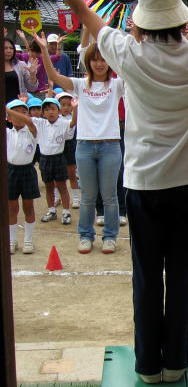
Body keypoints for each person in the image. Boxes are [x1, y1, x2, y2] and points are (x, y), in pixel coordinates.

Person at [23, 0, 188, 383]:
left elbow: (80, 8)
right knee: (181, 273)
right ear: (180, 20)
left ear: (141, 23)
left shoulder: (128, 53)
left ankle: (148, 366)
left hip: (145, 182)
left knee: (147, 275)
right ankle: (177, 362)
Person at [34, 29, 125, 254]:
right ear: (88, 62)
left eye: (103, 59)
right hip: (84, 146)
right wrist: (44, 50)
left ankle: (110, 236)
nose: (99, 64)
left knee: (110, 196)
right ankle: (86, 235)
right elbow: (54, 76)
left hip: (110, 146)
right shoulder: (80, 84)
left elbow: (136, 70)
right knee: (87, 196)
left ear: (110, 62)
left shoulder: (117, 85)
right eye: (95, 59)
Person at [10, 97, 76, 223]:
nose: (50, 112)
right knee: (48, 186)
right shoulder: (39, 122)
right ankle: (51, 211)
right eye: (46, 110)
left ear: (58, 111)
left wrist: (75, 109)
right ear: (43, 113)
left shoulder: (63, 122)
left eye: (53, 109)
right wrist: (21, 104)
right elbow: (25, 118)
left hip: (59, 157)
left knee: (62, 186)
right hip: (45, 158)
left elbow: (73, 122)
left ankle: (66, 212)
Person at [5, 99, 40, 254]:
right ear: (9, 118)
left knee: (28, 206)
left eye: (24, 112)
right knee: (11, 207)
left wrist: (8, 110)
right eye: (16, 113)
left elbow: (29, 122)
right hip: (10, 171)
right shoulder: (7, 133)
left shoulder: (32, 131)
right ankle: (12, 240)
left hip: (27, 170)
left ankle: (28, 239)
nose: (21, 116)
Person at [55, 91, 80, 209]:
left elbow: (74, 123)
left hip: (70, 145)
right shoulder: (55, 118)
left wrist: (75, 109)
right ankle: (56, 197)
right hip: (57, 146)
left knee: (72, 174)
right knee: (57, 176)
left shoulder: (73, 117)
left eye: (68, 105)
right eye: (62, 104)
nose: (65, 107)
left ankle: (75, 198)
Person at [4, 37, 38, 103]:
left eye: (11, 48)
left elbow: (32, 88)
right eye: (5, 48)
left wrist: (32, 74)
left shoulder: (21, 65)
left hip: (18, 105)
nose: (9, 51)